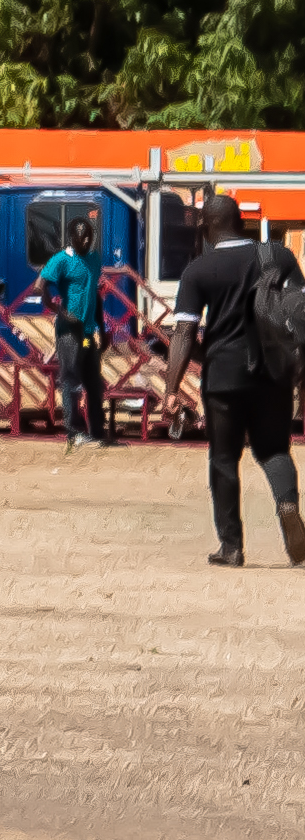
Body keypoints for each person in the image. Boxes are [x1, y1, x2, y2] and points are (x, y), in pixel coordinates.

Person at [160, 196, 300, 570]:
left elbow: (184, 332)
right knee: (275, 451)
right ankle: (288, 506)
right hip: (273, 373)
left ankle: (231, 547)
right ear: (242, 222)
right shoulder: (279, 258)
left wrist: (171, 389)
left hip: (223, 377)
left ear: (206, 226)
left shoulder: (199, 270)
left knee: (224, 457)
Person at [31, 209, 108, 448]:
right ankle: (74, 433)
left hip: (87, 333)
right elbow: (39, 286)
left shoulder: (94, 259)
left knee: (93, 380)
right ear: (71, 238)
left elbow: (94, 293)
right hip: (69, 333)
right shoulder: (61, 260)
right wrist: (59, 311)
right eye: (81, 237)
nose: (85, 241)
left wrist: (102, 329)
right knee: (71, 379)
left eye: (89, 236)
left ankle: (96, 430)